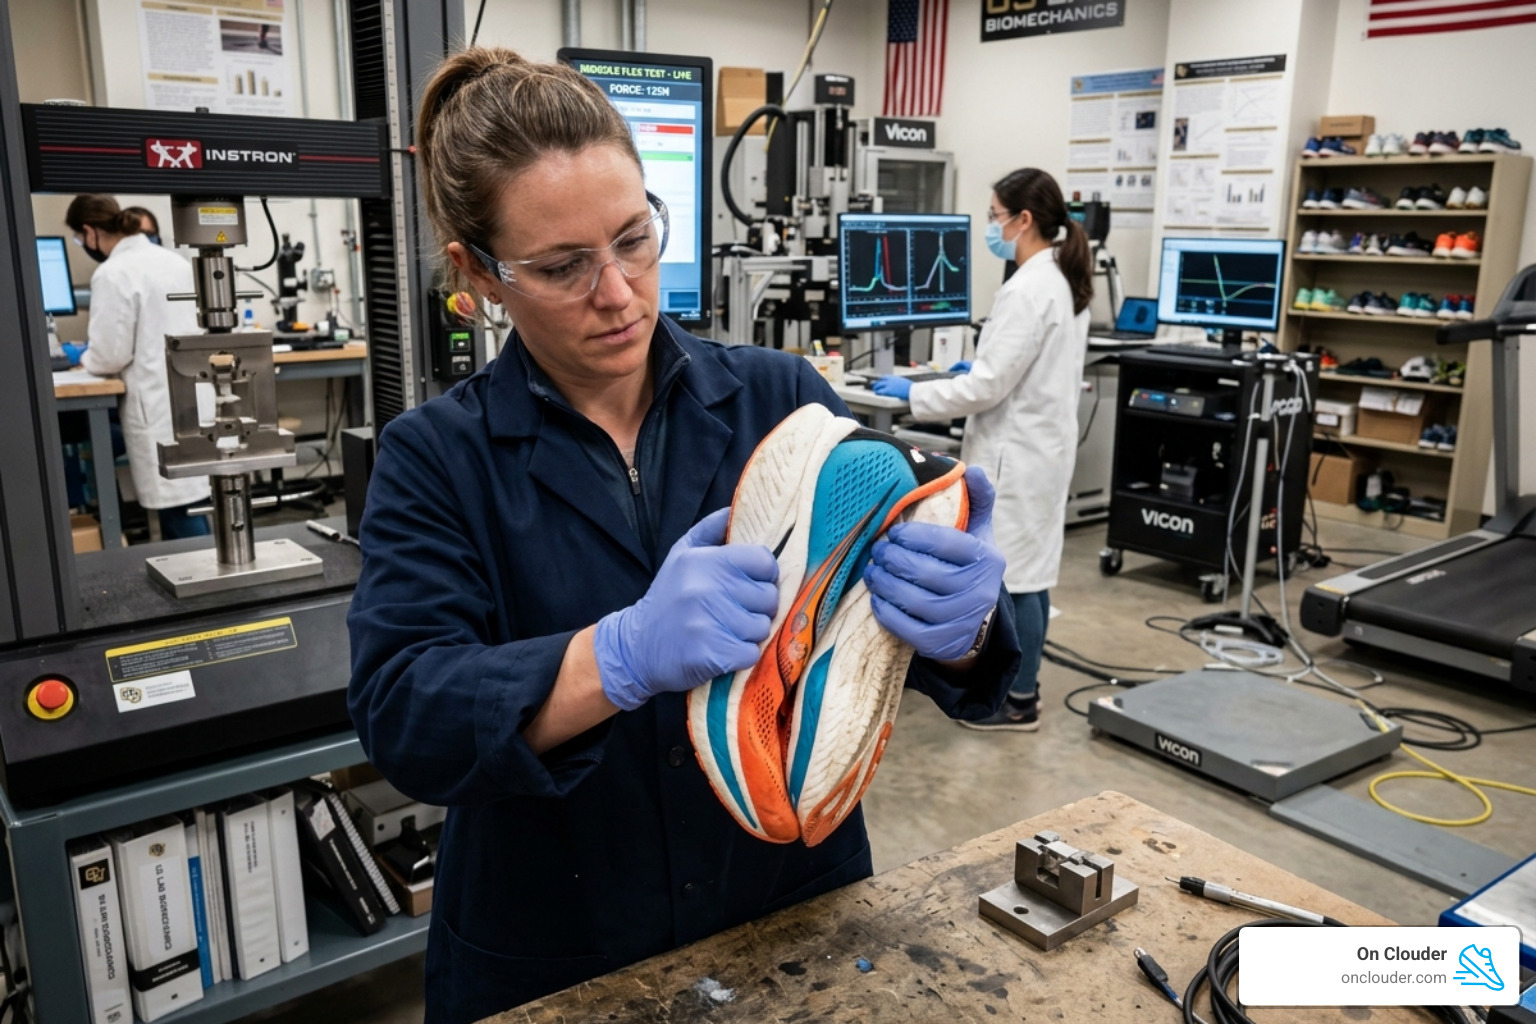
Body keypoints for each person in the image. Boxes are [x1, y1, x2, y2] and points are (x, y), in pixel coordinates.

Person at [346, 47, 1020, 1024]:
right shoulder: (437, 459)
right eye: (563, 266)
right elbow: (405, 710)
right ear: (479, 274)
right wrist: (613, 657)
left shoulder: (782, 401)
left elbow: (873, 647)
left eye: (633, 239)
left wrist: (959, 627)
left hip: (791, 917)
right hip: (560, 954)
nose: (617, 292)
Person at [872, 168, 1093, 731]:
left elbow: (987, 389)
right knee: (1034, 576)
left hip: (1016, 455)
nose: (991, 228)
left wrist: (915, 392)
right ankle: (1026, 690)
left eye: (996, 217)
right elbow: (1016, 371)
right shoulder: (1063, 279)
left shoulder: (1027, 288)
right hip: (1042, 448)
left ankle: (1014, 701)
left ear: (1024, 220)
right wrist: (985, 367)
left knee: (1013, 579)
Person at [63, 195, 210, 539]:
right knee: (192, 499)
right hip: (194, 399)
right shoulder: (174, 262)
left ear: (89, 231)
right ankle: (205, 573)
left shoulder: (113, 273)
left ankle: (201, 580)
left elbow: (109, 357)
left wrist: (80, 356)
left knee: (179, 508)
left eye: (79, 238)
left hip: (156, 407)